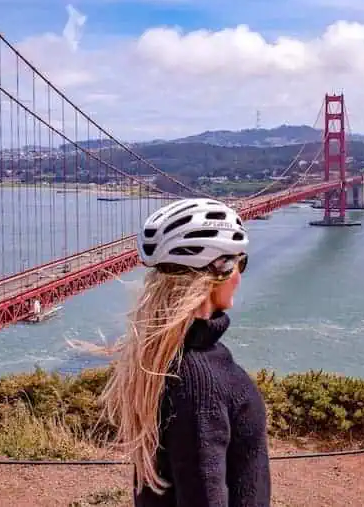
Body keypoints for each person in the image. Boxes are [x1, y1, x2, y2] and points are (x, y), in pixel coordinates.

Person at [99, 197, 271, 507]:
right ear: (220, 269)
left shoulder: (162, 356)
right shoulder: (200, 380)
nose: (240, 276)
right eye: (239, 263)